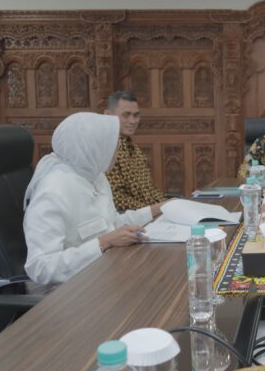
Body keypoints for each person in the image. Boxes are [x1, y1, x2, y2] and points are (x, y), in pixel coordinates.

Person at [23, 112, 164, 285]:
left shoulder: (95, 175)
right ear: (90, 147)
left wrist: (157, 209)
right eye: (111, 145)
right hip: (71, 290)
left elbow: (111, 223)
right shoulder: (53, 192)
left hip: (106, 272)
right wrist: (103, 243)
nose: (117, 152)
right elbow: (40, 268)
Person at [104, 91, 166, 211]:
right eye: (126, 115)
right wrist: (156, 209)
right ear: (107, 115)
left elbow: (149, 190)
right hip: (130, 220)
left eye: (136, 115)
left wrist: (169, 204)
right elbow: (116, 198)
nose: (133, 121)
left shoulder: (132, 146)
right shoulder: (104, 148)